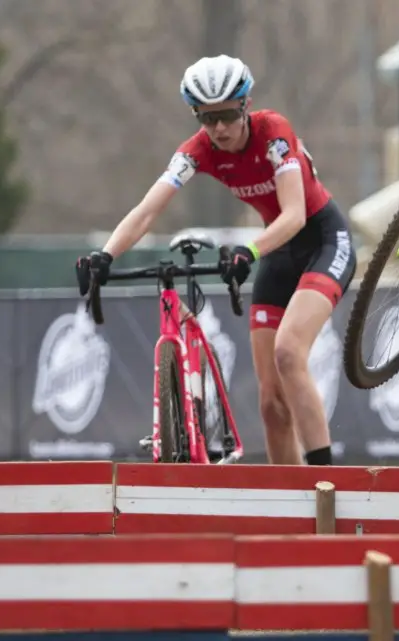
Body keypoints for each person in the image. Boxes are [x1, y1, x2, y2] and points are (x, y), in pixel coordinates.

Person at [75, 55, 357, 466]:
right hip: (277, 251)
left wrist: (250, 250)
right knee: (270, 404)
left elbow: (294, 214)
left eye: (226, 114)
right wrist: (105, 255)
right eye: (207, 119)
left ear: (244, 106)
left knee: (289, 353)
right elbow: (147, 210)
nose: (219, 128)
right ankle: (290, 513)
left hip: (322, 241)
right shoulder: (198, 151)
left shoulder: (273, 133)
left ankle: (324, 486)